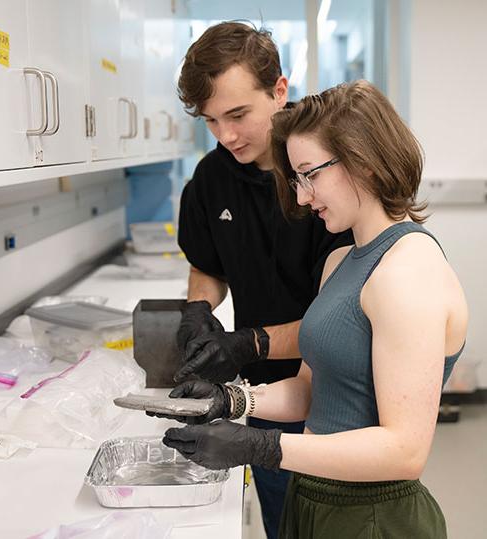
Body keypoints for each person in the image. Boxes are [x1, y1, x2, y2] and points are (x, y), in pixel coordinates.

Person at [159, 80, 468, 538]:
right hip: (314, 498)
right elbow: (311, 390)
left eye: (310, 175)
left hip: (372, 516)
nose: (302, 198)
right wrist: (232, 399)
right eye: (296, 179)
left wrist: (262, 446)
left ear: (362, 161)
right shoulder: (343, 260)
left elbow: (404, 451)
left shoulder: (408, 272)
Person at [173, 21, 353, 539]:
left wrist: (247, 344)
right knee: (282, 521)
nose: (226, 135)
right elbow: (208, 265)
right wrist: (198, 314)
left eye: (237, 114)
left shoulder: (328, 180)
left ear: (279, 91)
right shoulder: (212, 178)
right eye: (210, 121)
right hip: (268, 395)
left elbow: (342, 319)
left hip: (338, 398)